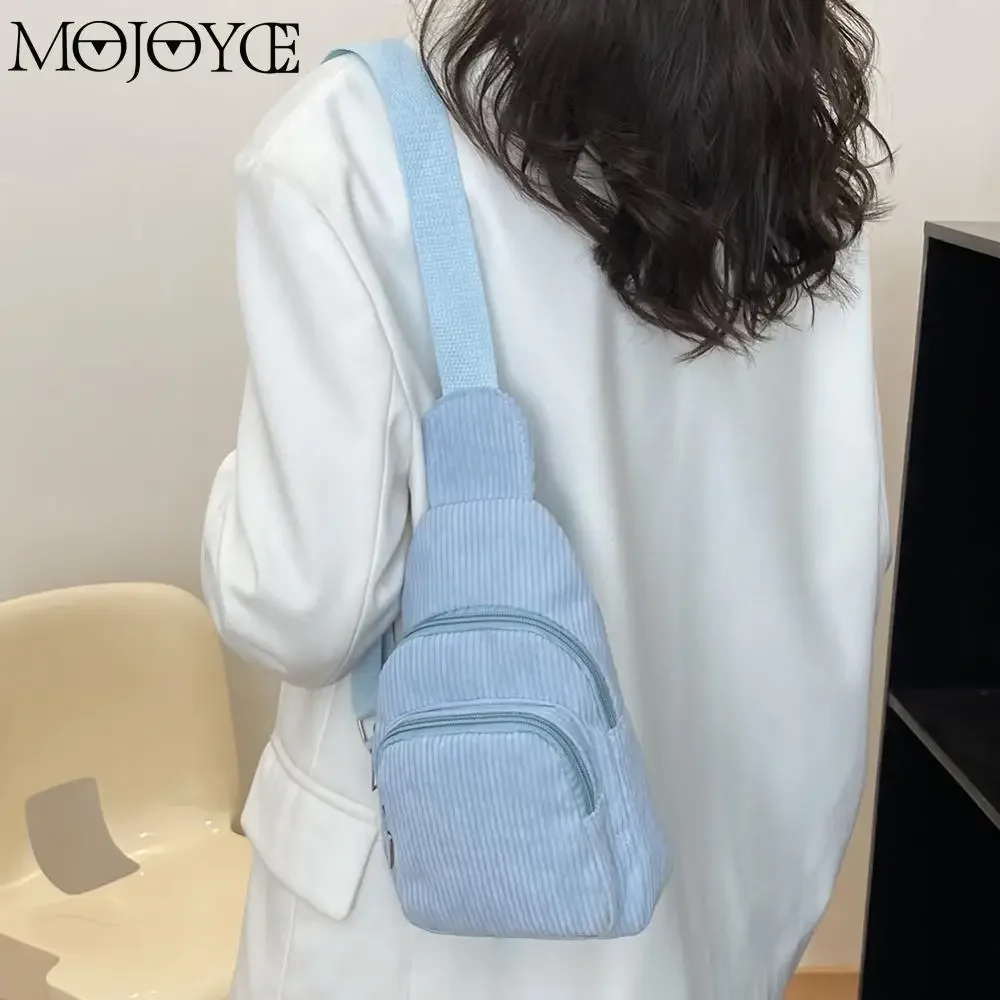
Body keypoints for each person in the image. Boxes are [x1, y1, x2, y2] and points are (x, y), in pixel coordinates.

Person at [201, 2, 892, 997]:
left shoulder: (354, 142)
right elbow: (835, 548)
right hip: (714, 900)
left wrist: (238, 493)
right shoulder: (798, 172)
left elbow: (300, 603)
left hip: (424, 932)